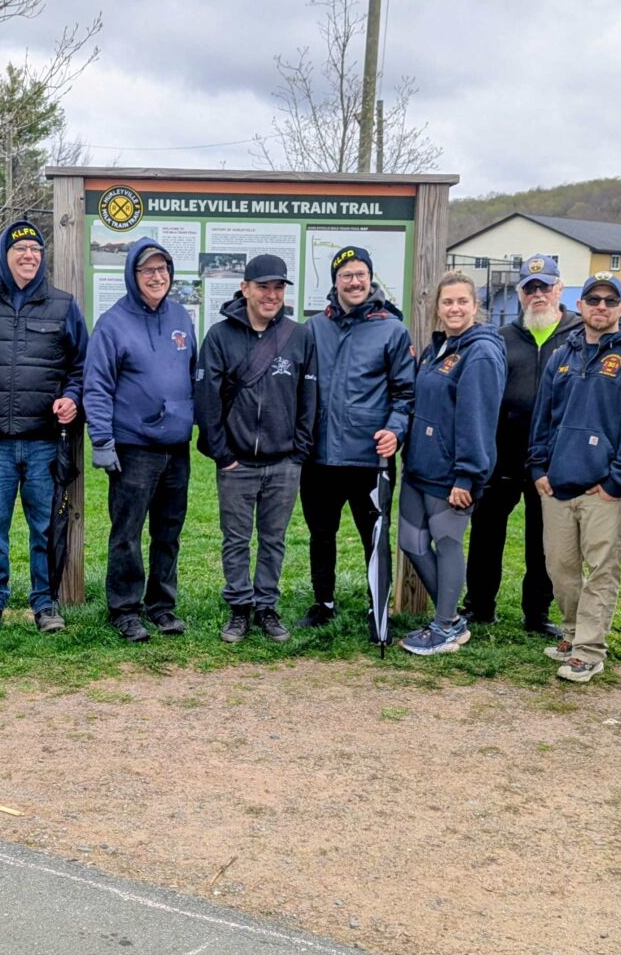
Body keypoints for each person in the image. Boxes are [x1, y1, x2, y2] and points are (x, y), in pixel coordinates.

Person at [527, 271, 621, 683]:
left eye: (610, 300)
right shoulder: (561, 356)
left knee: (601, 570)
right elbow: (543, 417)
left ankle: (589, 651)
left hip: (605, 491)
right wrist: (538, 467)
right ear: (580, 305)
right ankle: (571, 635)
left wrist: (619, 480)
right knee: (560, 568)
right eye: (594, 299)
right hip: (557, 486)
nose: (601, 306)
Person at [0, 220, 87, 633]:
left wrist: (72, 397)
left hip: (43, 441)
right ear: (5, 255)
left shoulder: (63, 305)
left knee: (44, 526)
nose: (29, 255)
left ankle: (45, 602)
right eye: (20, 249)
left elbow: (80, 366)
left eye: (36, 249)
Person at [195, 254, 318, 644]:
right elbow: (207, 399)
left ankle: (266, 606)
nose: (271, 295)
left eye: (278, 287)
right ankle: (239, 607)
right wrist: (223, 454)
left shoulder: (299, 336)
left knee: (273, 540)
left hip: (284, 463)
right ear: (245, 288)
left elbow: (309, 398)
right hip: (237, 463)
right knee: (235, 539)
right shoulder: (220, 336)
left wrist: (298, 452)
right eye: (263, 287)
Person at [460, 254, 580, 639]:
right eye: (530, 289)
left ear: (559, 289)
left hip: (552, 461)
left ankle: (537, 613)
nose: (538, 295)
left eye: (545, 287)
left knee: (542, 540)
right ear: (519, 294)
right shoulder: (502, 339)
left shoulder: (578, 337)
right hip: (503, 457)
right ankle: (479, 606)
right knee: (486, 535)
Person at [83, 238, 196, 642]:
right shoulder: (112, 323)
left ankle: (162, 605)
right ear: (133, 275)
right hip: (134, 449)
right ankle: (125, 609)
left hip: (176, 449)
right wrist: (101, 440)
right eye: (148, 270)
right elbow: (96, 385)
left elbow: (193, 372)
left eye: (162, 269)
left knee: (168, 532)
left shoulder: (181, 316)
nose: (157, 276)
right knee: (127, 534)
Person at [298, 246, 414, 631]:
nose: (354, 282)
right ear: (335, 282)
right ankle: (323, 602)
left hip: (369, 457)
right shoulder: (313, 328)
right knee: (321, 534)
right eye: (346, 275)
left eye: (360, 274)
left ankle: (376, 606)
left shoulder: (392, 330)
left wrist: (395, 430)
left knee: (374, 537)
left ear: (370, 278)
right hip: (319, 457)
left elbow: (405, 393)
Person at [397, 272, 506, 655]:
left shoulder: (481, 352)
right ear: (437, 308)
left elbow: (477, 418)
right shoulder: (438, 349)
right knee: (411, 541)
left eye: (462, 301)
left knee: (446, 544)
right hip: (419, 468)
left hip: (452, 476)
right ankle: (453, 619)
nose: (454, 308)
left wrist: (468, 475)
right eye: (447, 302)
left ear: (475, 306)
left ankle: (444, 626)